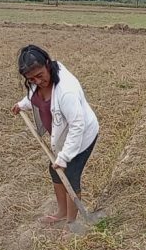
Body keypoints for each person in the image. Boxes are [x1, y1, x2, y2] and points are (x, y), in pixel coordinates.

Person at [10, 45, 99, 226]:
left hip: (81, 135)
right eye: (31, 79)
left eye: (40, 75)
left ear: (48, 65)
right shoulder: (37, 83)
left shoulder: (66, 92)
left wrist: (64, 157)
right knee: (55, 170)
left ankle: (72, 224)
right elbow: (36, 98)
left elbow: (77, 126)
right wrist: (22, 104)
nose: (37, 81)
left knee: (70, 174)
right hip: (63, 136)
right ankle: (62, 213)